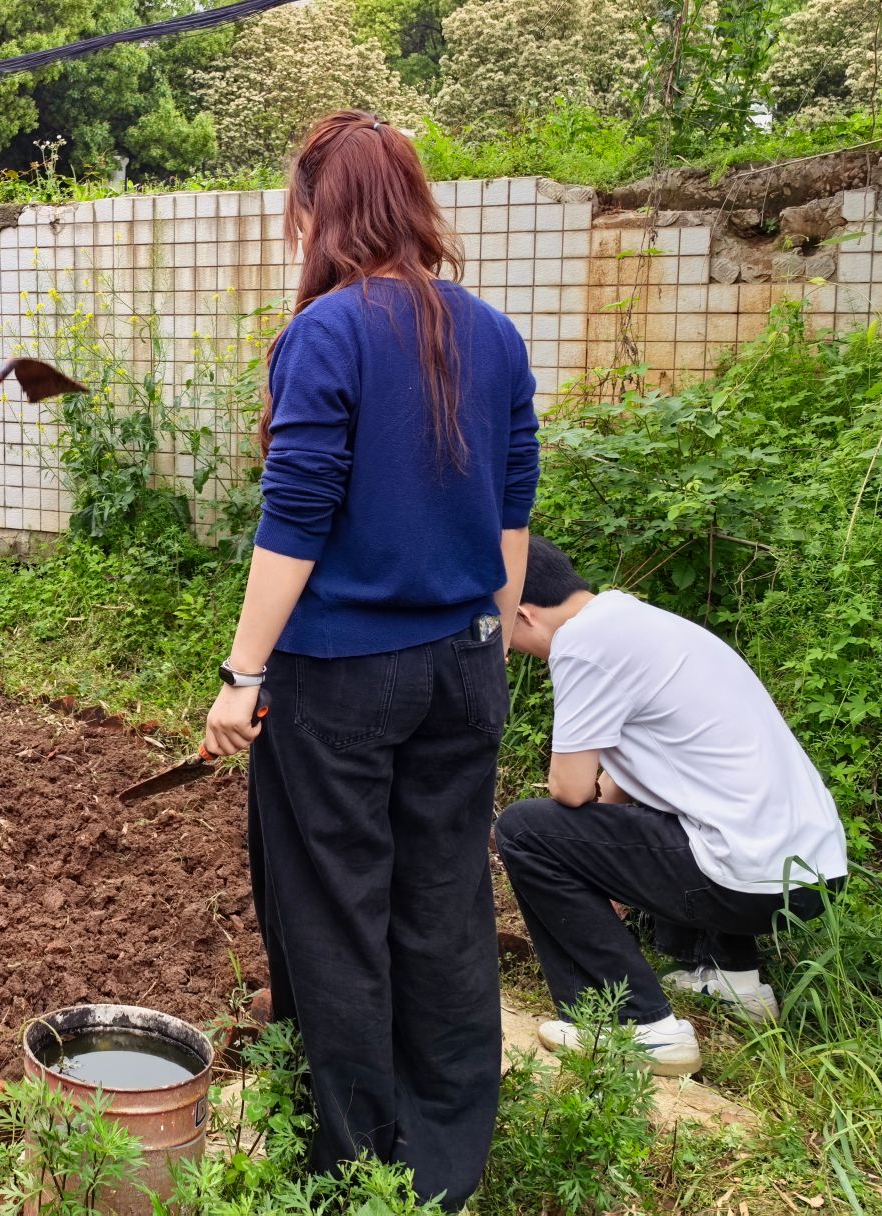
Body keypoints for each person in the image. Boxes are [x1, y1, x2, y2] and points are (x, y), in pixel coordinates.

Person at [200, 111, 539, 1211]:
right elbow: (513, 510)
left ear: (318, 210)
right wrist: (483, 634)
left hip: (342, 680)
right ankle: (443, 1166)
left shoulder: (328, 332)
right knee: (443, 905)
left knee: (334, 913)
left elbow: (296, 515)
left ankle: (352, 1171)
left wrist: (243, 675)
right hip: (463, 667)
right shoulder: (494, 335)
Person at [495, 536, 848, 1077]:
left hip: (747, 880)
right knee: (689, 806)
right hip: (812, 875)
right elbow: (635, 773)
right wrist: (603, 860)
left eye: (502, 630)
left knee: (525, 830)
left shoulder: (582, 645)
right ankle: (732, 979)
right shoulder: (637, 621)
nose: (508, 647)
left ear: (521, 612)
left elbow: (570, 790)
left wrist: (590, 859)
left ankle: (638, 1025)